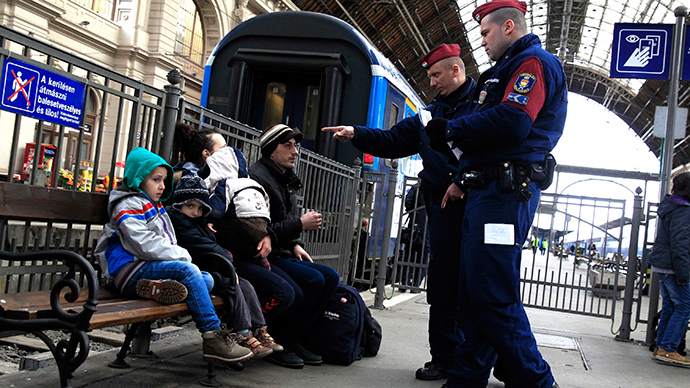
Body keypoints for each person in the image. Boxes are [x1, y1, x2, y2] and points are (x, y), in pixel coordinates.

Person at [423, 1, 567, 387]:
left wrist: (452, 128)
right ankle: (465, 380)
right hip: (486, 190)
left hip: (505, 194)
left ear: (508, 27)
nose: (482, 42)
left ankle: (538, 382)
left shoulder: (532, 64)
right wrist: (462, 177)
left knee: (493, 296)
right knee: (473, 296)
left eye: (485, 33)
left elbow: (514, 122)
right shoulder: (503, 70)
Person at [322, 43, 476, 381]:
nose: (432, 82)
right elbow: (394, 140)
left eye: (436, 74)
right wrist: (356, 134)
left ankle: (485, 358)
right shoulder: (427, 114)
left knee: (479, 286)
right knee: (443, 285)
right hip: (442, 208)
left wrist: (465, 179)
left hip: (477, 206)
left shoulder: (484, 104)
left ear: (456, 70)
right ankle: (445, 358)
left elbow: (494, 146)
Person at [94, 147, 253, 365]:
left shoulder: (155, 205)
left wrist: (179, 258)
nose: (162, 186)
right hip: (126, 270)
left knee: (205, 279)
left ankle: (155, 288)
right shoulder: (128, 203)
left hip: (147, 269)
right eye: (156, 179)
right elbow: (143, 244)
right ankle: (212, 336)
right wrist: (182, 256)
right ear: (139, 178)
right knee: (189, 272)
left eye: (164, 180)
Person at [174, 123, 304, 368]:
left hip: (239, 257)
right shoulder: (202, 188)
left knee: (311, 283)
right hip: (225, 261)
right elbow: (214, 233)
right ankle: (243, 334)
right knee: (285, 293)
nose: (230, 152)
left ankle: (259, 332)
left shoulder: (230, 186)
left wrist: (275, 237)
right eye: (223, 147)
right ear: (208, 155)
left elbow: (260, 222)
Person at [249, 124, 340, 368]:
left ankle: (295, 337)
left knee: (330, 277)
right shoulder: (258, 178)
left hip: (282, 249)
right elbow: (261, 230)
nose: (295, 152)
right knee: (312, 281)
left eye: (296, 146)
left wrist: (296, 243)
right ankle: (279, 338)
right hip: (264, 255)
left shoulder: (282, 176)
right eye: (287, 146)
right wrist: (300, 224)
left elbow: (281, 223)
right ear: (271, 150)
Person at [167, 172, 282, 359]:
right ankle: (243, 333)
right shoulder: (179, 221)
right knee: (233, 286)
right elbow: (202, 246)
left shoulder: (199, 222)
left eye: (200, 207)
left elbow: (210, 244)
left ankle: (259, 328)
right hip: (199, 269)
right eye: (190, 206)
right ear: (179, 204)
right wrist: (226, 260)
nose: (195, 212)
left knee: (246, 285)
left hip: (210, 266)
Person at [648, 172, 690, 366]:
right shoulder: (683, 210)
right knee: (684, 306)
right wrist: (684, 273)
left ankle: (660, 346)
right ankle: (668, 348)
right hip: (674, 267)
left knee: (670, 307)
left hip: (663, 266)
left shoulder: (670, 206)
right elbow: (680, 243)